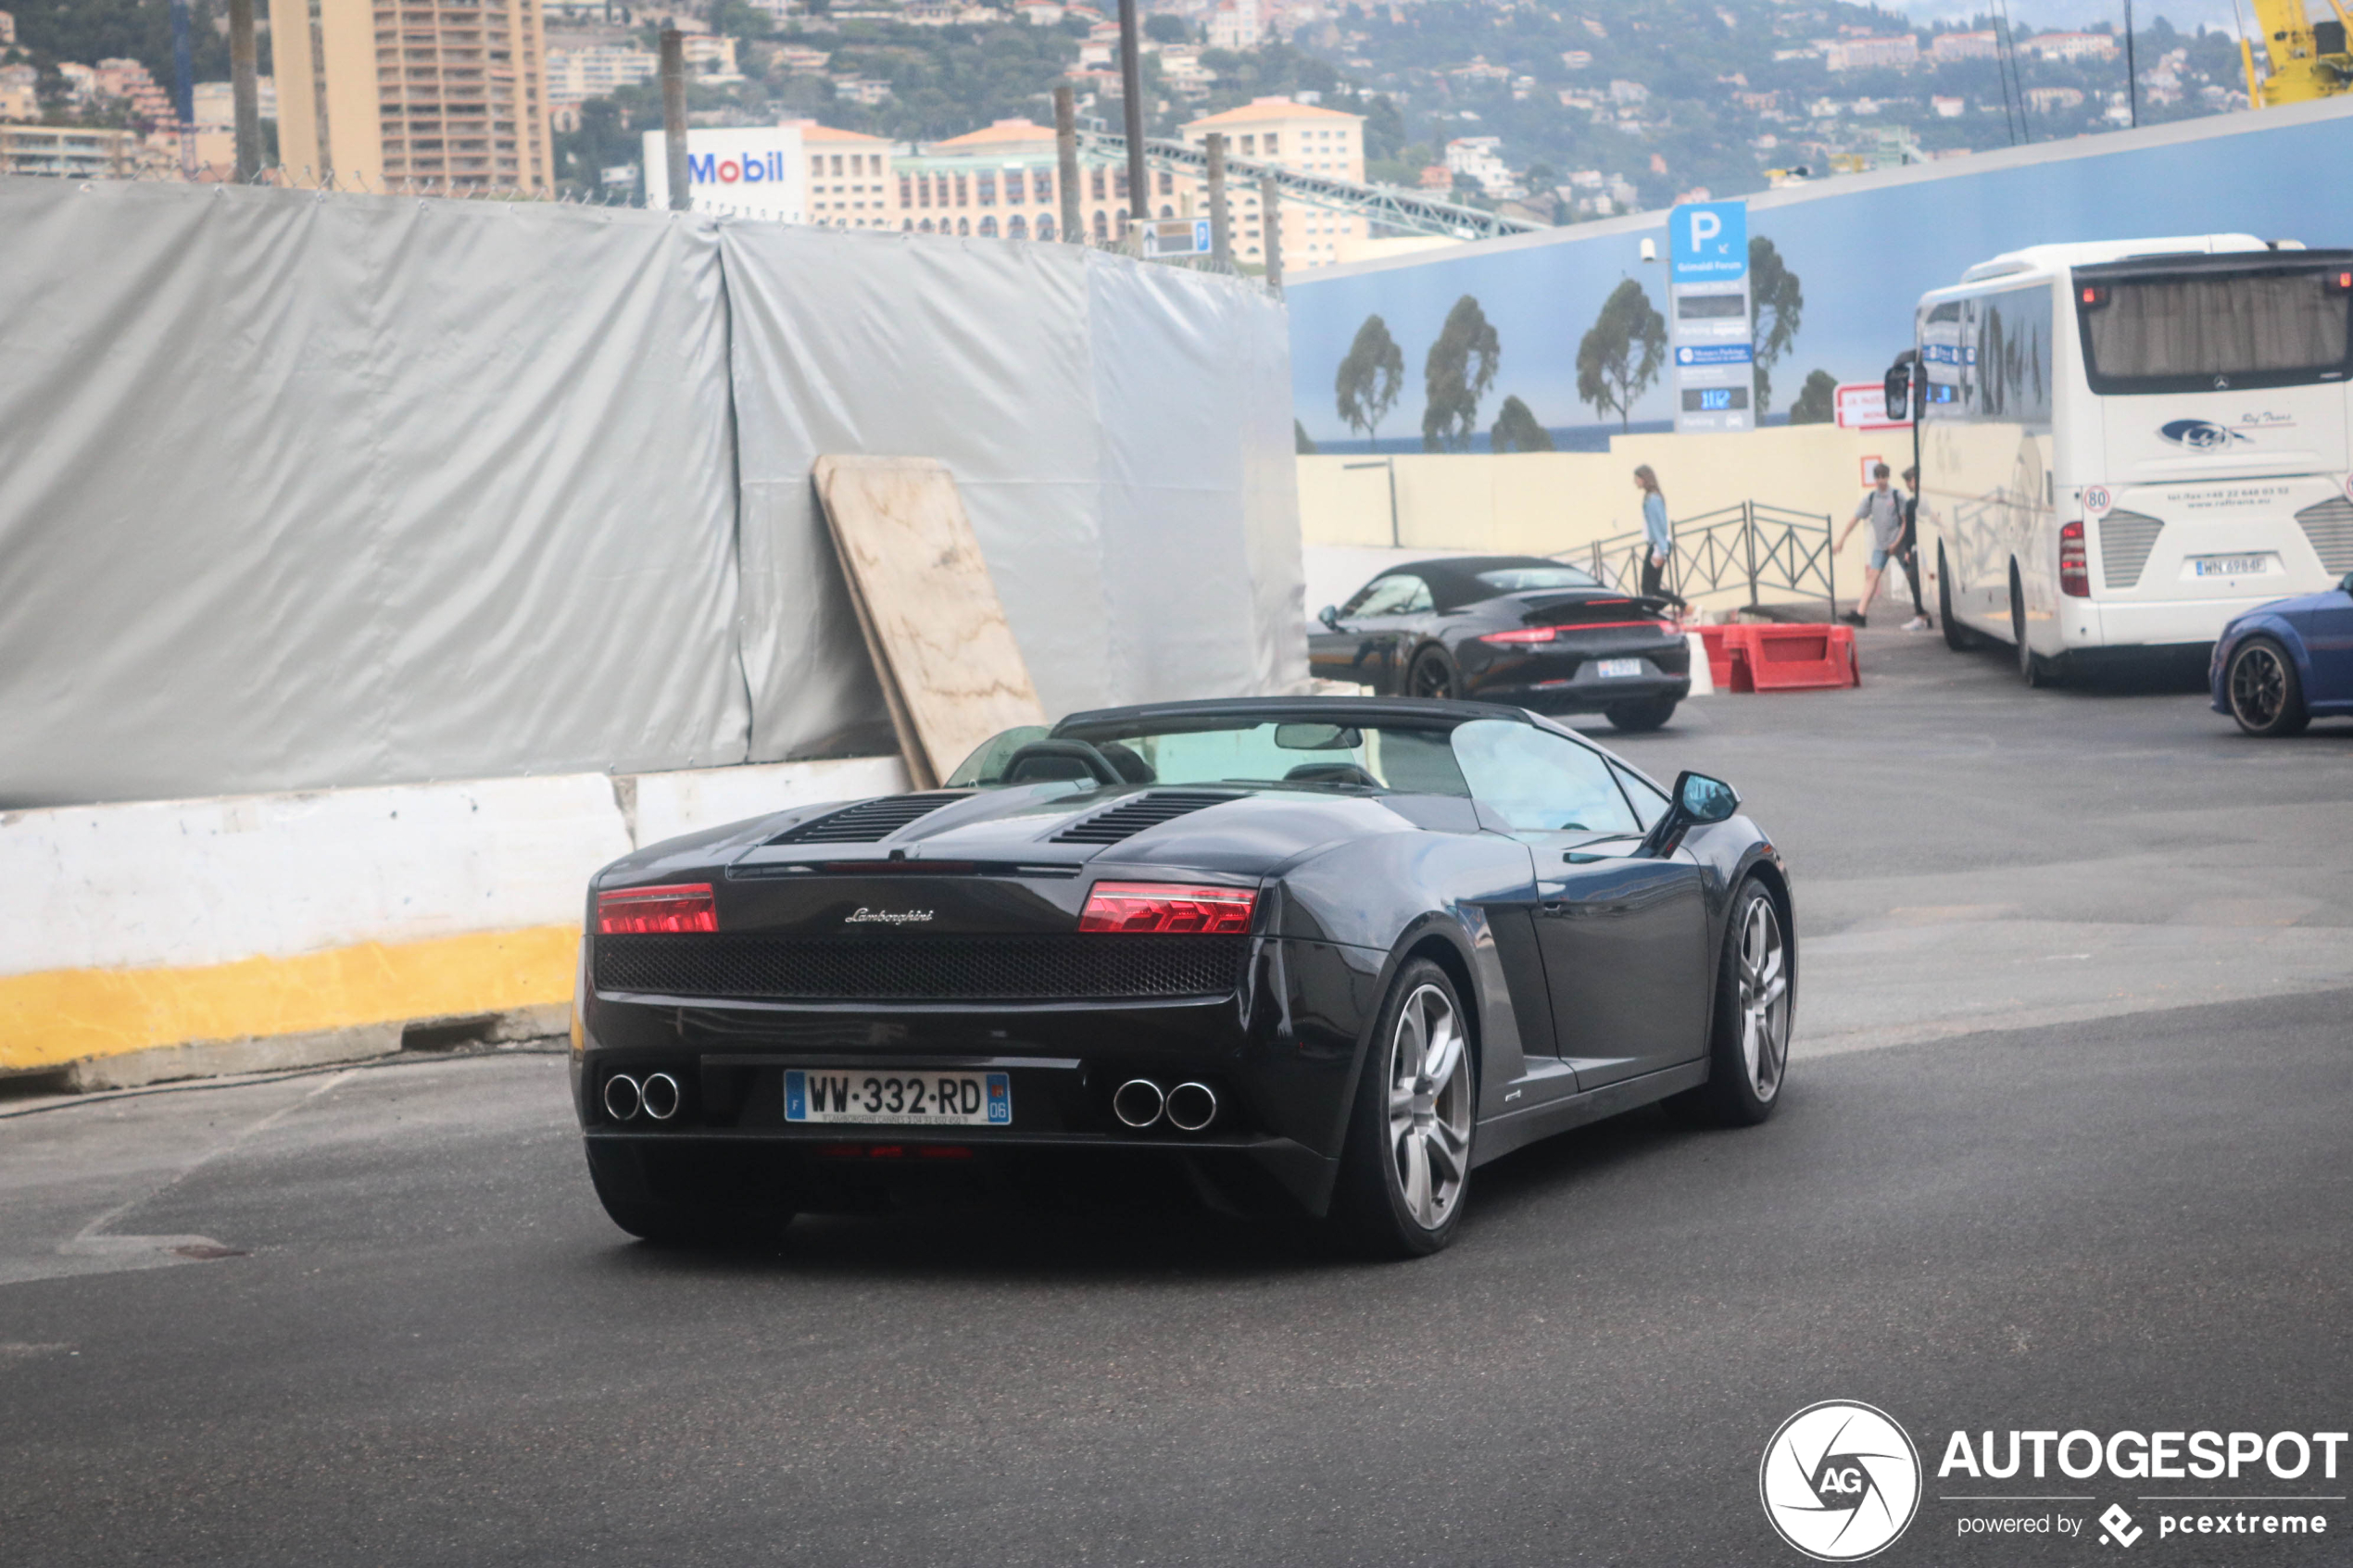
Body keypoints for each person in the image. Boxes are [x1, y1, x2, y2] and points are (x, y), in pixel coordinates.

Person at [1835, 462, 1905, 628]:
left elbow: (1906, 522)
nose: (1881, 480)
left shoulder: (1896, 495)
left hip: (1899, 543)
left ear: (1888, 477)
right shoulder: (1872, 498)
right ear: (1875, 479)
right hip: (1881, 546)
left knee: (1911, 575)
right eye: (1878, 477)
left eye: (1884, 477)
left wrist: (1897, 542)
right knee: (1872, 576)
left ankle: (1922, 612)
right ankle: (1861, 614)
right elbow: (1855, 518)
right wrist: (1842, 540)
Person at [1632, 465, 1683, 608]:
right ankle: (1684, 606)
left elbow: (1659, 526)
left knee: (1648, 588)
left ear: (1644, 478)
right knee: (1653, 588)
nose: (1635, 481)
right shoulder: (1653, 497)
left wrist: (1660, 551)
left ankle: (1651, 615)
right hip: (1658, 545)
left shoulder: (1652, 499)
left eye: (1637, 478)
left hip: (1657, 545)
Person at [1896, 465, 1931, 632]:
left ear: (1914, 480)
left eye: (1908, 481)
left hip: (1917, 547)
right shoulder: (1925, 500)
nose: (1907, 485)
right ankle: (1924, 615)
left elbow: (1910, 529)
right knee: (1921, 581)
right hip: (1924, 545)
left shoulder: (1913, 503)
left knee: (1916, 581)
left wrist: (1908, 550)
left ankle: (1921, 616)